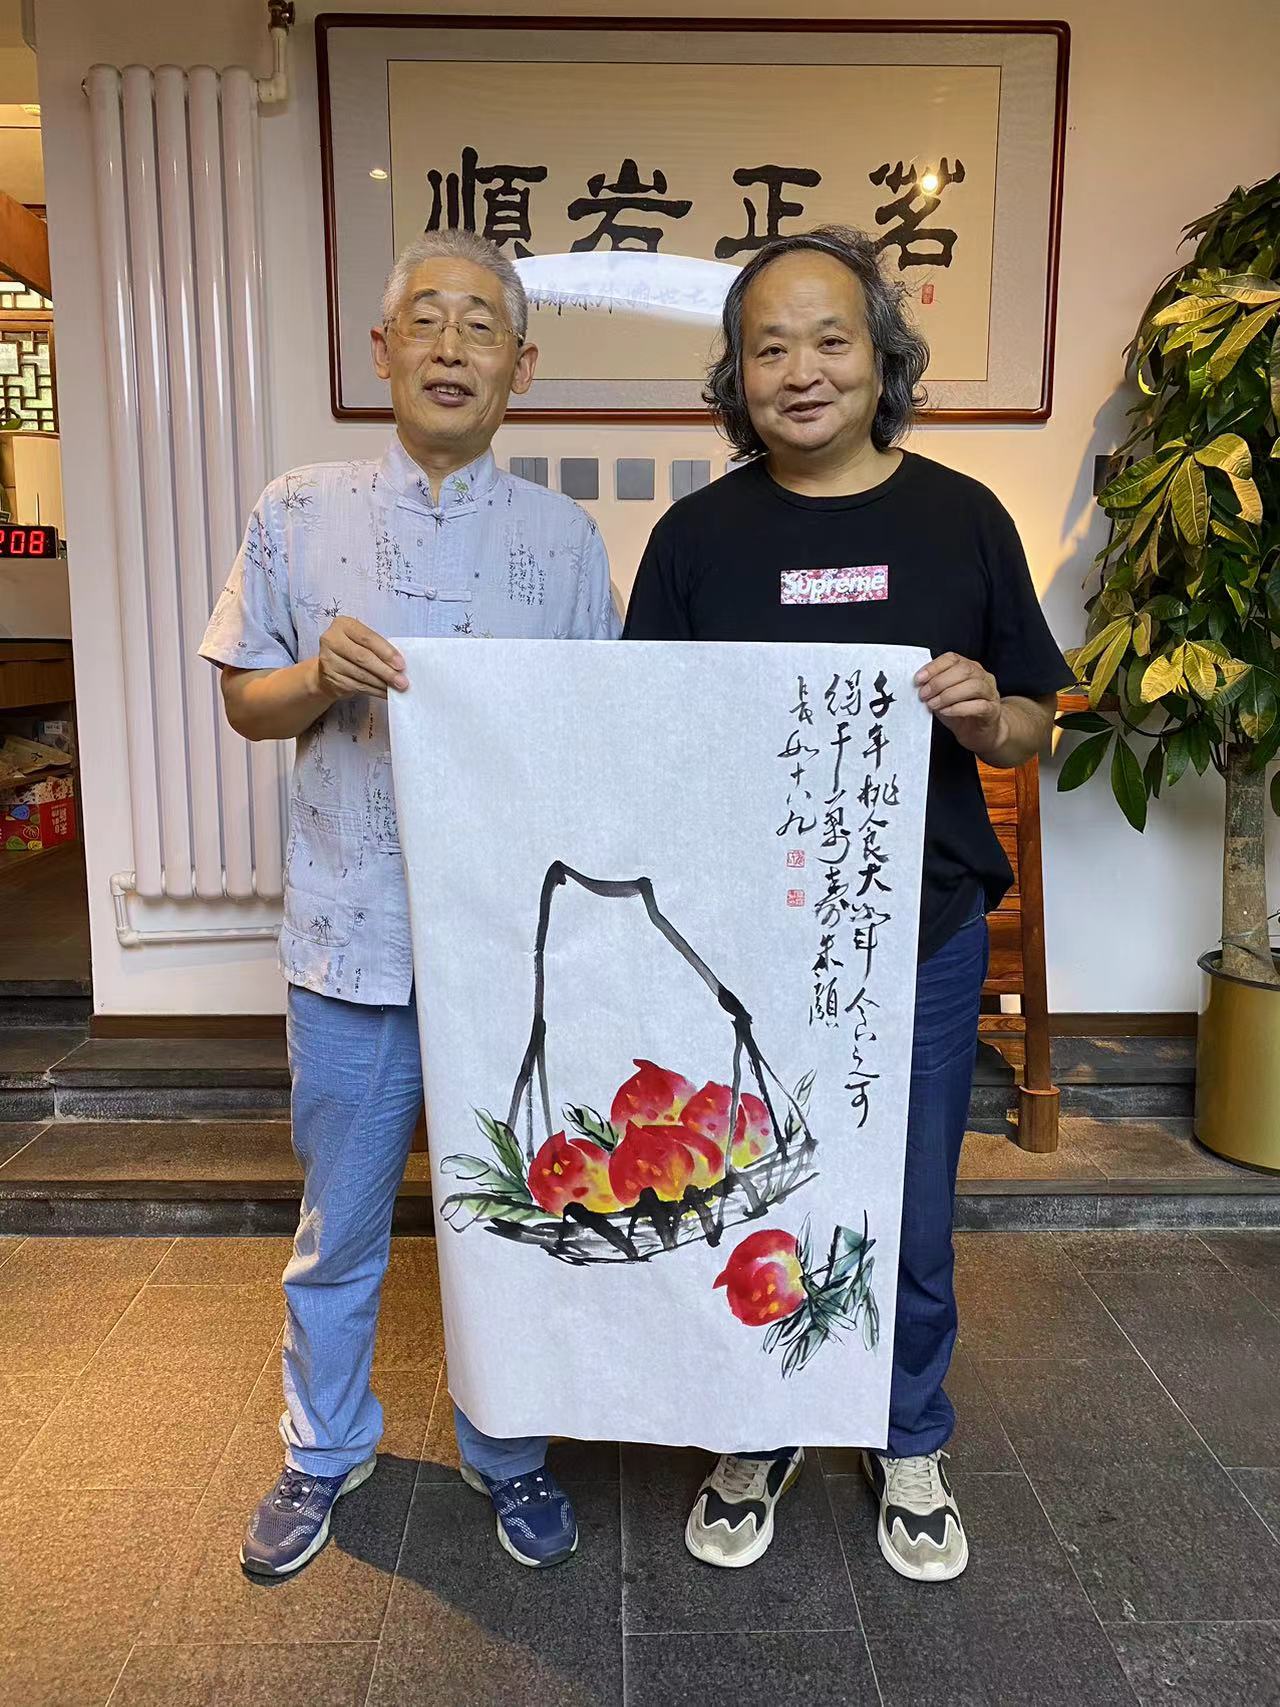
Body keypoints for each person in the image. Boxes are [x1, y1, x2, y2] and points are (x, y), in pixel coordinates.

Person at [624, 225, 1073, 1582]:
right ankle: (759, 1425)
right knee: (751, 1183)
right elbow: (642, 734)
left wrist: (991, 716)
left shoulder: (962, 518)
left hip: (918, 932)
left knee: (912, 1201)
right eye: (770, 348)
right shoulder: (696, 537)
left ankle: (907, 1431)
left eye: (831, 341)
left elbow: (1034, 718)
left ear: (884, 358)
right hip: (744, 939)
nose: (802, 371)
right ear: (736, 378)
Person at [200, 229, 618, 1578]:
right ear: (381, 352)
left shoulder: (564, 541)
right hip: (351, 939)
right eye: (426, 321)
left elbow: (597, 739)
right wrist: (317, 676)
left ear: (521, 368)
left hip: (511, 953)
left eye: (481, 325)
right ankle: (323, 1449)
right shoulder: (296, 509)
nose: (451, 346)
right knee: (341, 1224)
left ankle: (511, 1446)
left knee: (518, 1214)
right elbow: (246, 703)